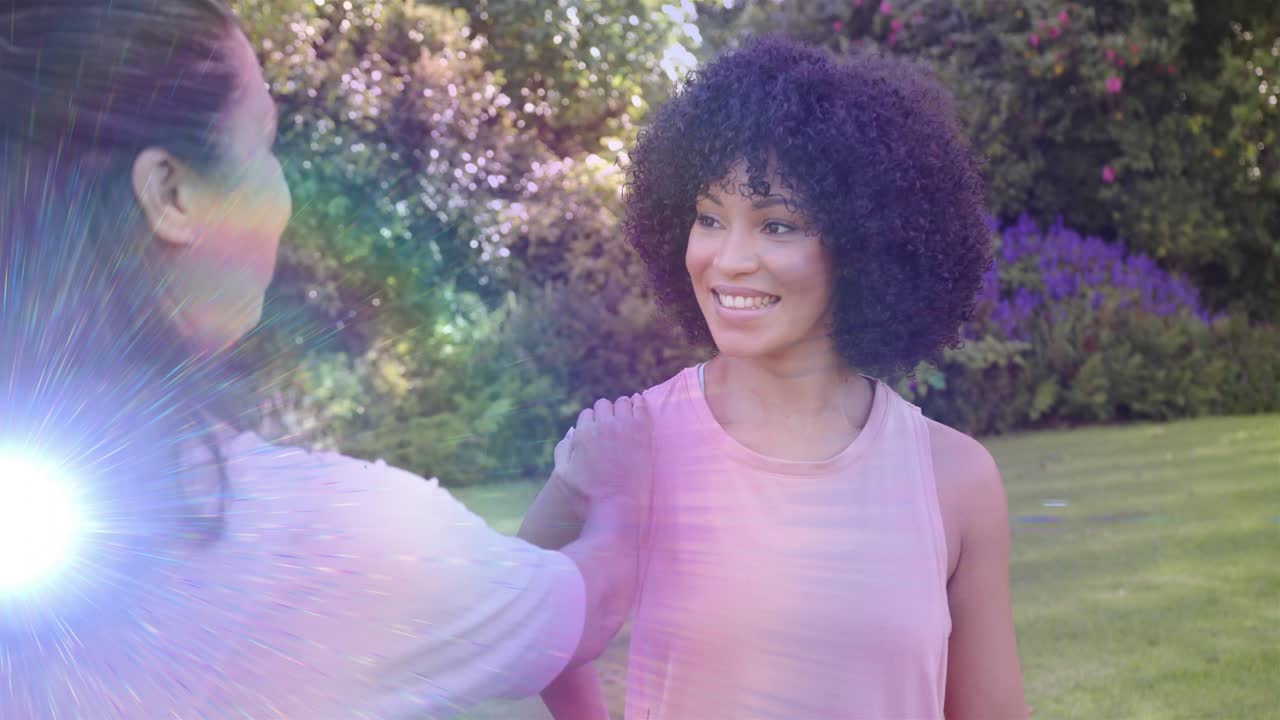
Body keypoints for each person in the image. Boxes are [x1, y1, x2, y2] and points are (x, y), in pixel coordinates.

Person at [0, 1, 649, 718]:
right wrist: (619, 488)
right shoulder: (319, 541)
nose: (281, 189)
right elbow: (586, 609)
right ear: (170, 193)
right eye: (266, 143)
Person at [520, 36, 1030, 719]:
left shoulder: (955, 480)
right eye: (709, 218)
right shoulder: (629, 445)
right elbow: (513, 624)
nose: (728, 259)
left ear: (860, 245)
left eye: (777, 225)